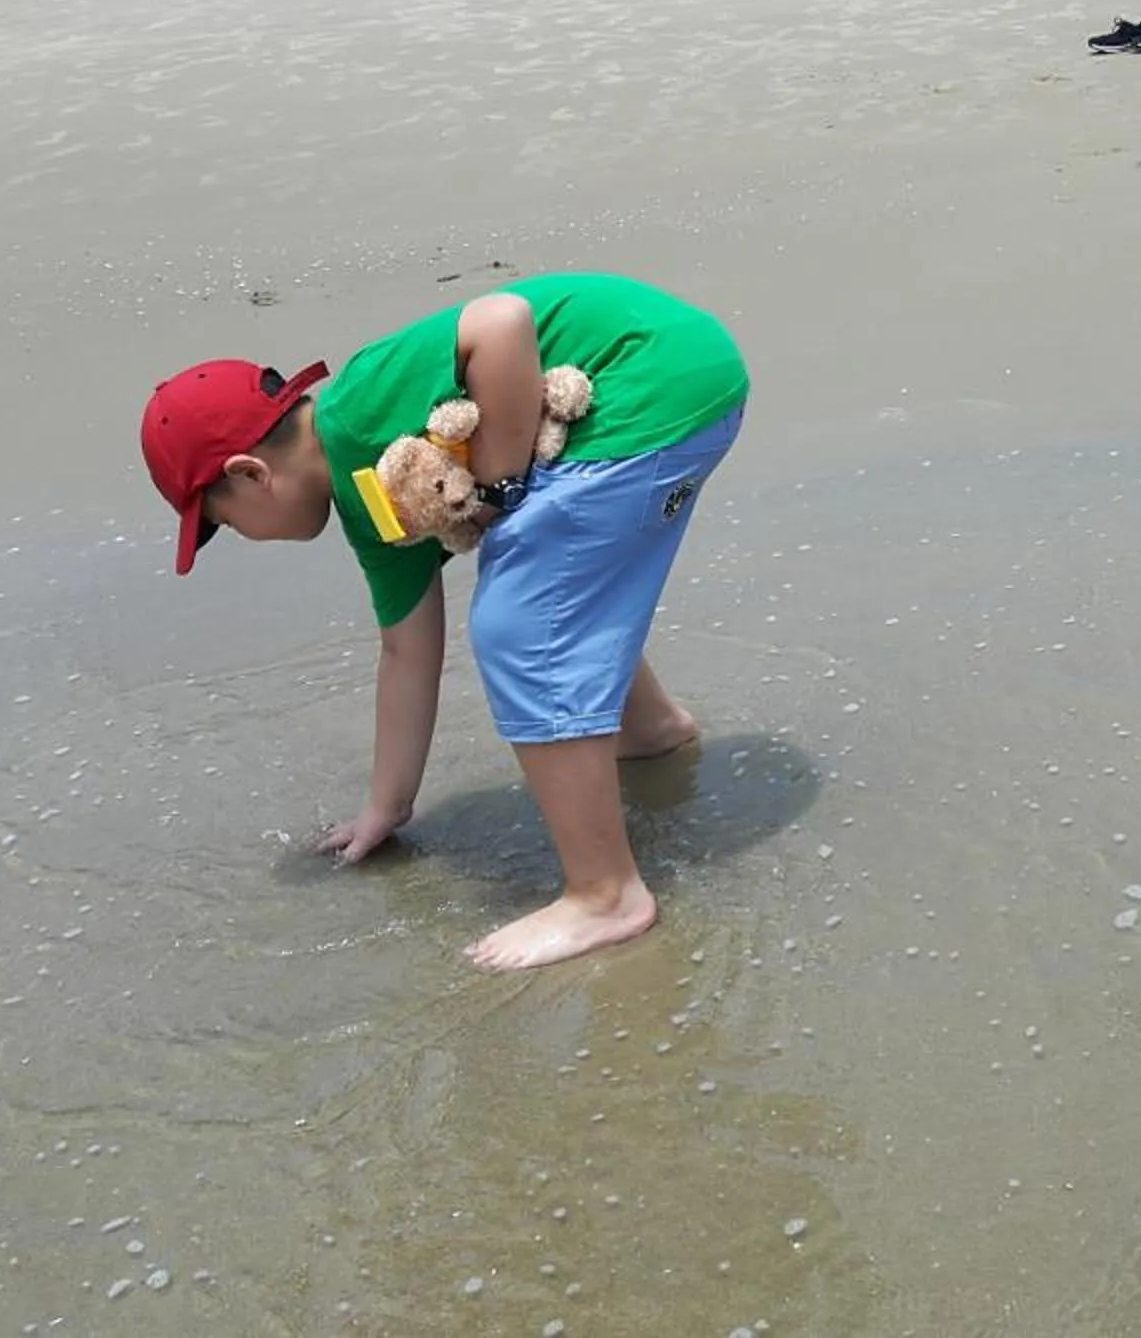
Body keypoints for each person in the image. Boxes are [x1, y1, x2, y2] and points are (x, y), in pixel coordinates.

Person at [139, 274, 749, 971]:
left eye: (221, 524)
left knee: (518, 624)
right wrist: (385, 808)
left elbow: (501, 321)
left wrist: (498, 485)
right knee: (549, 584)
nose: (245, 538)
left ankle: (605, 894)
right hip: (681, 374)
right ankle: (652, 731)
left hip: (649, 378)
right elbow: (406, 650)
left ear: (249, 475)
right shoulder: (370, 512)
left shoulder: (360, 404)